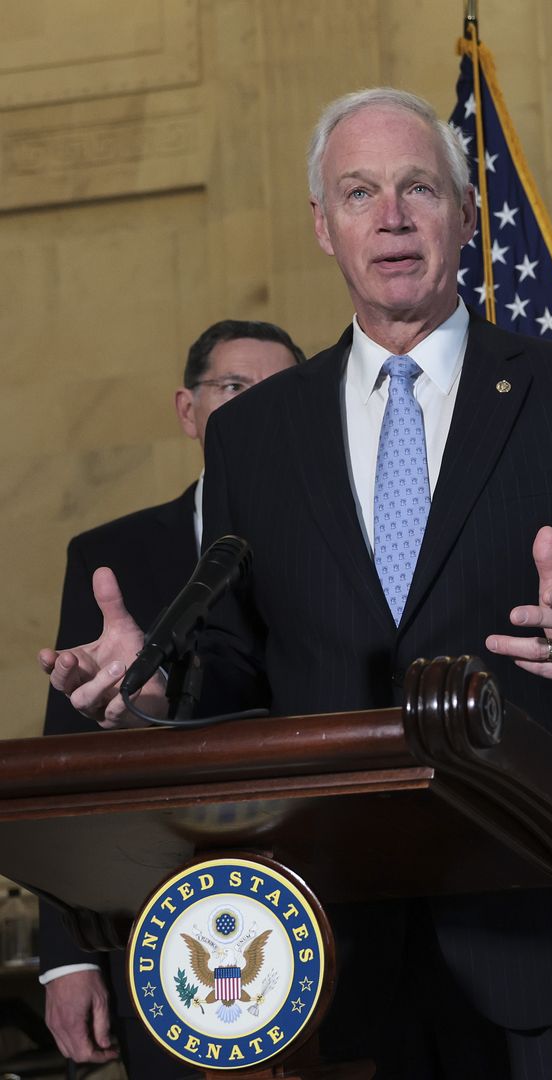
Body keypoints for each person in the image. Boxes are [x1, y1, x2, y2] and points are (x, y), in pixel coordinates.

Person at [41, 87, 552, 1078]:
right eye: (358, 193)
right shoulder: (255, 437)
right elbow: (232, 657)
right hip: (339, 950)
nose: (391, 217)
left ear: (464, 213)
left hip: (551, 934)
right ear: (323, 226)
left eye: (417, 188)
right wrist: (155, 689)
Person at [38, 320, 303, 1076]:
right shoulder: (111, 558)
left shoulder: (352, 542)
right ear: (188, 412)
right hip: (165, 926)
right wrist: (68, 958)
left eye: (279, 393)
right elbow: (72, 760)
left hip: (331, 912)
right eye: (233, 390)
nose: (255, 411)